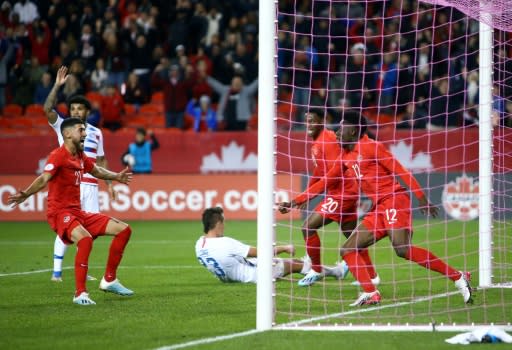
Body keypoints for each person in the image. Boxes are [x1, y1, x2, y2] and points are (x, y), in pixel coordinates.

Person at [287, 111, 473, 306]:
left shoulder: (371, 147)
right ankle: (371, 293)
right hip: (378, 208)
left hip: (394, 199)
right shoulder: (345, 156)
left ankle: (458, 277)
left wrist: (422, 197)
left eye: (342, 127)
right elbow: (325, 181)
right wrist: (297, 201)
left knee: (402, 249)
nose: (338, 131)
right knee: (347, 249)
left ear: (354, 131)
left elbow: (401, 170)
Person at [8, 117, 134, 305]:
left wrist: (116, 176)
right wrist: (26, 194)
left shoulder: (80, 156)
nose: (84, 134)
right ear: (67, 134)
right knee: (85, 240)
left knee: (124, 230)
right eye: (80, 130)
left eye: (84, 130)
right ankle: (80, 294)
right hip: (59, 212)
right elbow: (44, 179)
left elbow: (97, 171)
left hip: (77, 212)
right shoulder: (58, 155)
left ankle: (109, 280)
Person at [278, 109, 378, 287]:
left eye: (313, 120)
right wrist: (306, 196)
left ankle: (316, 269)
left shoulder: (328, 140)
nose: (309, 124)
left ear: (322, 121)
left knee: (308, 227)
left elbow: (333, 174)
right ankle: (372, 275)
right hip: (344, 193)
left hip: (343, 193)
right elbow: (319, 172)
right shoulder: (318, 143)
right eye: (307, 121)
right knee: (353, 236)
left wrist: (300, 199)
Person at [44, 66, 116, 282]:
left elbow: (101, 160)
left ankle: (80, 268)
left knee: (89, 231)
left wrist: (110, 185)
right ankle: (56, 272)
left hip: (92, 185)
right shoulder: (63, 127)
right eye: (72, 108)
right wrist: (57, 86)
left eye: (79, 109)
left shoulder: (96, 133)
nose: (75, 112)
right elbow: (48, 109)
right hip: (70, 186)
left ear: (87, 112)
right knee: (67, 229)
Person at [196, 207, 346, 283]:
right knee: (294, 264)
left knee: (295, 264)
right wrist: (285, 248)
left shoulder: (199, 245)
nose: (225, 226)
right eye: (223, 223)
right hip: (255, 275)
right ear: (218, 223)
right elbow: (261, 252)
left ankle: (310, 265)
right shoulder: (225, 243)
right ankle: (337, 272)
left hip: (238, 273)